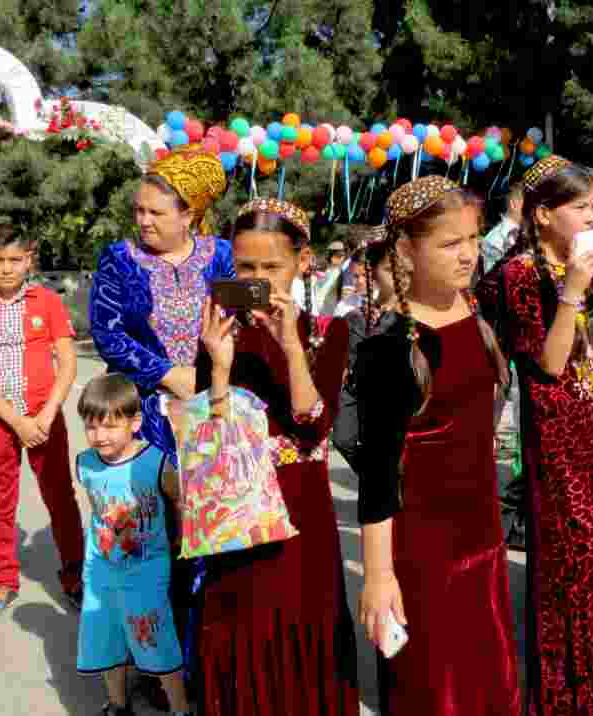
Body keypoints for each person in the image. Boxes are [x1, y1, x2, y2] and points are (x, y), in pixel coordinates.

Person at [354, 176, 520, 714]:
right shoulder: (389, 349)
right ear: (406, 249)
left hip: (483, 533)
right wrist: (379, 576)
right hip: (424, 549)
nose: (468, 254)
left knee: (485, 672)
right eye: (450, 243)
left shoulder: (476, 315)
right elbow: (377, 476)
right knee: (435, 682)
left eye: (472, 238)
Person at [492, 155, 593, 714]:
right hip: (557, 445)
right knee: (568, 572)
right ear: (542, 215)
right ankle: (565, 697)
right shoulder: (519, 276)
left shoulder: (588, 268)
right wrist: (574, 288)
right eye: (581, 207)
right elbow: (551, 364)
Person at [193, 197, 359, 716]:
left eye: (272, 266)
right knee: (241, 627)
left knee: (302, 628)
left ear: (303, 261)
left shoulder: (328, 332)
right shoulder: (221, 333)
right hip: (236, 511)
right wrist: (219, 368)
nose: (259, 279)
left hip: (301, 511)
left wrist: (290, 347)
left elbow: (315, 426)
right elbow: (210, 438)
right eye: (246, 268)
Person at [0, 221, 86, 621]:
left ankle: (75, 575)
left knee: (60, 496)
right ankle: (3, 581)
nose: (7, 268)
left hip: (45, 417)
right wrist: (16, 421)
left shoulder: (47, 302)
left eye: (15, 259)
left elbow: (67, 364)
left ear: (29, 259)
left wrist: (45, 414)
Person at [90, 146, 233, 460]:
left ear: (188, 215)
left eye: (155, 213)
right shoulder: (119, 258)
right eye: (139, 210)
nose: (143, 221)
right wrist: (168, 374)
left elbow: (240, 320)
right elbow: (107, 334)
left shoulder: (222, 255)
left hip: (212, 402)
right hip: (141, 411)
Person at [74, 374, 191, 716]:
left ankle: (180, 708)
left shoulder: (156, 462)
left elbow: (179, 499)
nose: (100, 436)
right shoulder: (85, 463)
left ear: (135, 423)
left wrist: (181, 537)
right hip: (100, 569)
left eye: (110, 426)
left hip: (146, 570)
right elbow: (98, 510)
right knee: (105, 635)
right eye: (92, 427)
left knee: (154, 636)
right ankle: (118, 703)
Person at [330, 238, 403, 476]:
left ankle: (385, 481)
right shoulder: (346, 306)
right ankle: (374, 476)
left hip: (385, 387)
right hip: (353, 385)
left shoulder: (396, 302)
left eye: (364, 276)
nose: (358, 281)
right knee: (342, 439)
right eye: (355, 276)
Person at [480, 182, 523, 276]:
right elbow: (492, 279)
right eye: (528, 203)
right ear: (514, 204)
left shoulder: (527, 232)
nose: (533, 208)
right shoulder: (495, 240)